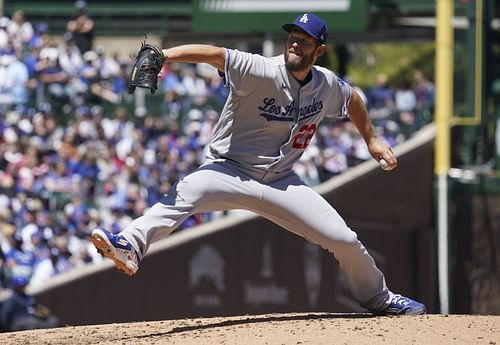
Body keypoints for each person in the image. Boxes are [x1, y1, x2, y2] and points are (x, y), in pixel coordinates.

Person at [91, 13, 426, 315]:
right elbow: (214, 54)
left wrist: (371, 138)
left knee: (345, 240)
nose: (295, 43)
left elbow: (352, 98)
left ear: (318, 50)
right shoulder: (261, 69)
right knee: (185, 193)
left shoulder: (324, 85)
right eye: (292, 37)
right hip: (228, 169)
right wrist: (166, 56)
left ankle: (378, 299)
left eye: (304, 40)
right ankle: (131, 245)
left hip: (282, 182)